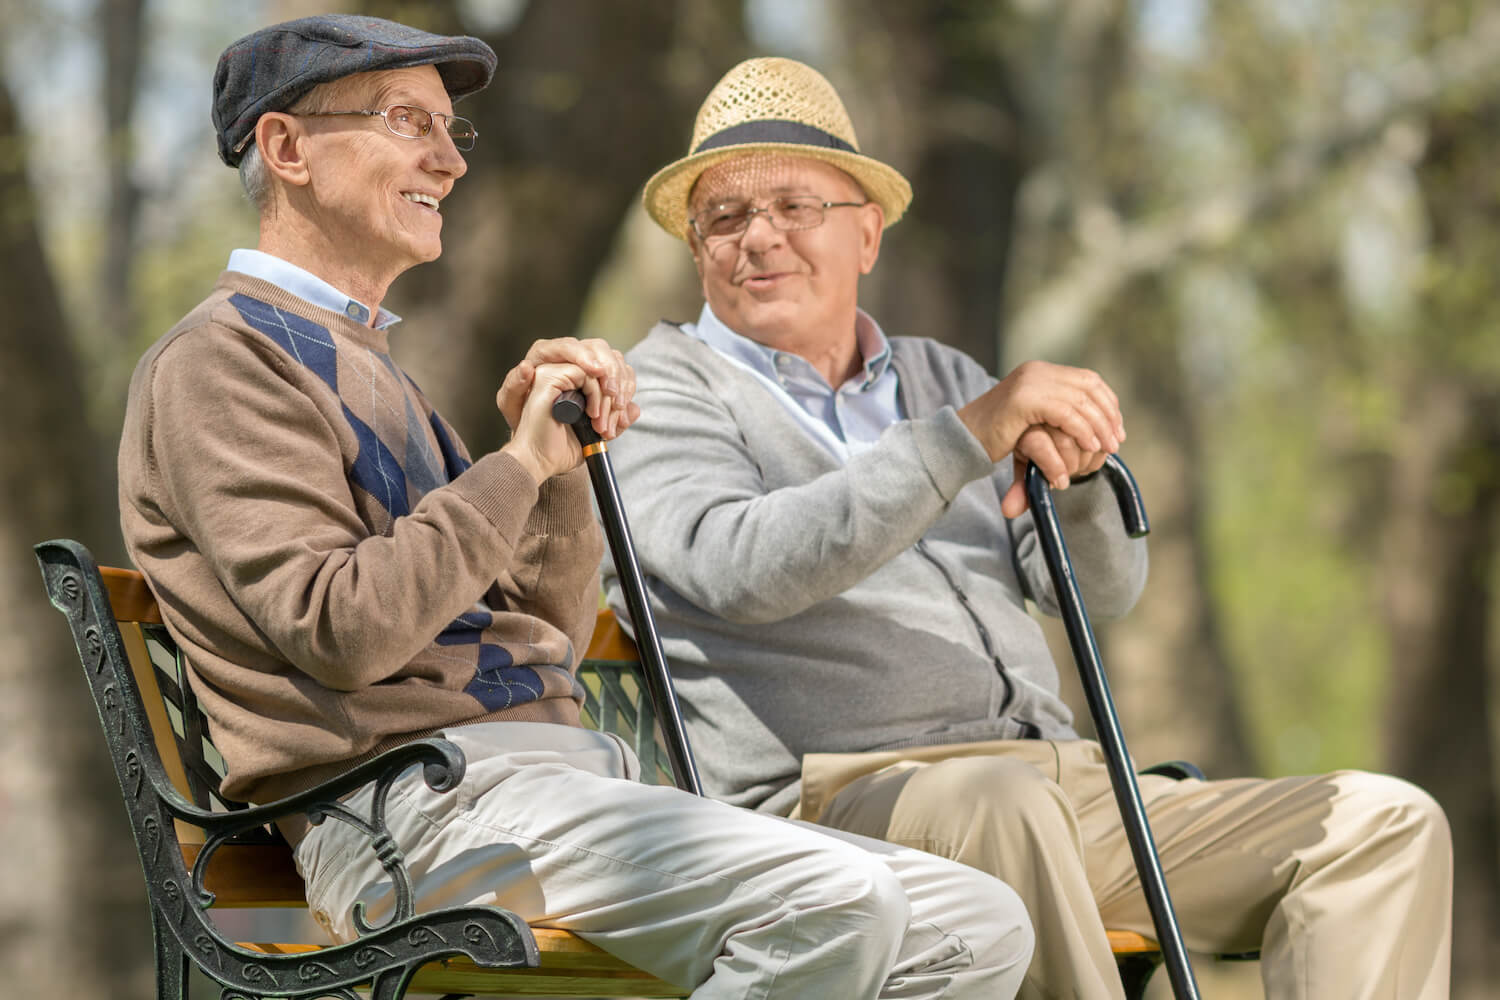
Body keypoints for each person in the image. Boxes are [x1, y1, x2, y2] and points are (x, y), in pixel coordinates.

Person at [117, 17, 1035, 999]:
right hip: (412, 819)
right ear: (286, 147)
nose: (447, 159)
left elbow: (541, 637)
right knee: (839, 901)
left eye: (450, 130)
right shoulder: (223, 362)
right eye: (405, 121)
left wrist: (555, 476)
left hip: (541, 791)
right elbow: (344, 629)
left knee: (977, 923)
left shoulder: (371, 362)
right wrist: (514, 465)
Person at [603, 56, 1454, 1000]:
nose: (757, 238)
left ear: (868, 236)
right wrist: (963, 440)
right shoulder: (661, 392)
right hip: (838, 807)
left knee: (1383, 823)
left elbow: (1096, 597)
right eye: (724, 216)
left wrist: (1080, 482)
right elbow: (740, 566)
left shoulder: (938, 374)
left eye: (794, 207)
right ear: (696, 248)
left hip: (1062, 782)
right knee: (1002, 806)